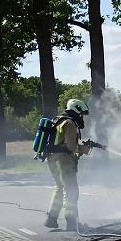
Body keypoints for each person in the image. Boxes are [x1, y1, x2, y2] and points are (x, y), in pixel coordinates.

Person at [44, 99, 92, 231]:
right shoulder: (69, 123)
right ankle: (72, 223)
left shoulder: (59, 120)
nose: (81, 117)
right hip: (63, 161)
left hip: (53, 160)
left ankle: (51, 219)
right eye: (81, 114)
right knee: (71, 191)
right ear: (76, 110)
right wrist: (84, 149)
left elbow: (64, 144)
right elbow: (71, 147)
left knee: (60, 188)